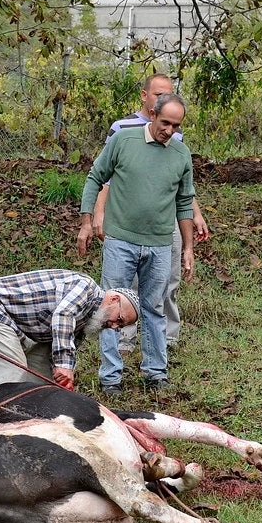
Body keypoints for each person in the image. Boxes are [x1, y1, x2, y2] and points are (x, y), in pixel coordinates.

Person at [81, 74, 211, 354]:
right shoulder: (123, 134)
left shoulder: (179, 148)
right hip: (123, 232)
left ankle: (158, 360)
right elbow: (101, 177)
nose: (170, 130)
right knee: (116, 296)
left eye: (176, 125)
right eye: (165, 123)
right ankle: (116, 361)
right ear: (151, 108)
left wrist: (189, 242)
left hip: (161, 235)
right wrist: (92, 217)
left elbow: (182, 193)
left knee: (159, 296)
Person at [0, 269, 140, 389]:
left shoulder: (88, 319)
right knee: (10, 379)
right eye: (119, 319)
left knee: (44, 386)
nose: (114, 326)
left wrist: (62, 377)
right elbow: (63, 316)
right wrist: (63, 365)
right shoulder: (87, 288)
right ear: (114, 299)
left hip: (20, 326)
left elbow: (61, 344)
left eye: (120, 327)